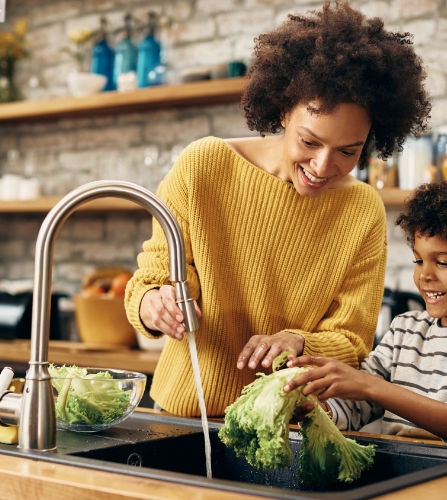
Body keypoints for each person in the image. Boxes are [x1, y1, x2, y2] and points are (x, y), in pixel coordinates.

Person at [125, 1, 431, 417]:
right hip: (184, 417)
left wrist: (298, 340)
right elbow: (153, 278)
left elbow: (353, 340)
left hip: (289, 427)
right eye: (309, 142)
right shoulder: (205, 166)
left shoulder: (362, 210)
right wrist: (154, 304)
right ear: (284, 110)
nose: (324, 167)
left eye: (348, 151)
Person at [284, 176, 447, 448]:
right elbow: (358, 405)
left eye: (444, 262)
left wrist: (370, 387)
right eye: (418, 260)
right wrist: (319, 409)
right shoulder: (405, 329)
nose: (424, 274)